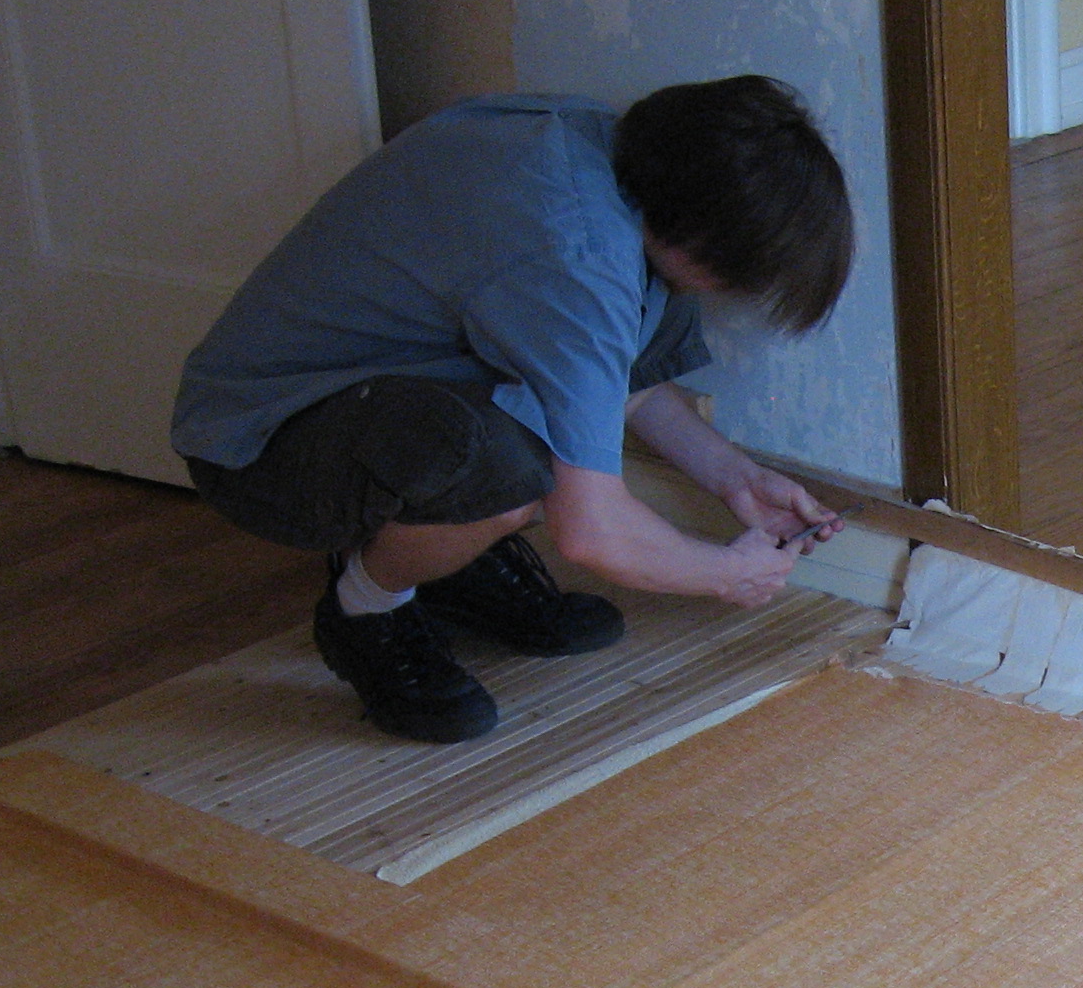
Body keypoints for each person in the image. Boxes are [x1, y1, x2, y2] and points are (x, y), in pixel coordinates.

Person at [172, 76, 852, 744]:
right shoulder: (577, 257)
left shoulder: (607, 156)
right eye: (734, 279)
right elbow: (591, 532)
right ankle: (365, 611)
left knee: (541, 420)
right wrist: (728, 575)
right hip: (261, 444)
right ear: (699, 238)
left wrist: (737, 479)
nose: (729, 295)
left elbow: (613, 383)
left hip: (375, 400)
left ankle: (450, 566)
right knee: (510, 465)